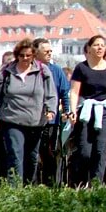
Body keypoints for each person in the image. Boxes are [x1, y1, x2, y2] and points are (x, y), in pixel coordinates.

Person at [0, 38, 57, 184]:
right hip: (12, 120)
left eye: (28, 56)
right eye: (22, 55)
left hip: (35, 122)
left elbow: (51, 94)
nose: (25, 58)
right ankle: (14, 190)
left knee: (31, 158)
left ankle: (28, 188)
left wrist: (50, 110)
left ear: (33, 56)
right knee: (15, 156)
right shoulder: (6, 72)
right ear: (17, 55)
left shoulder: (43, 71)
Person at [67, 35, 106, 187]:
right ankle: (81, 183)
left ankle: (97, 185)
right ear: (89, 48)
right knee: (85, 151)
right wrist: (72, 111)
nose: (100, 47)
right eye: (96, 45)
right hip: (86, 111)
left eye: (102, 45)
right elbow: (74, 92)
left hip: (104, 111)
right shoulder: (81, 68)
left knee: (101, 150)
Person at [33, 38, 71, 186]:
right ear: (36, 53)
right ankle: (33, 183)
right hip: (33, 120)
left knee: (49, 153)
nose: (49, 53)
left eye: (50, 51)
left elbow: (64, 92)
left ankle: (51, 184)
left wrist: (67, 111)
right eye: (46, 51)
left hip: (51, 121)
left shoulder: (56, 71)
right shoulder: (31, 69)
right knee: (34, 154)